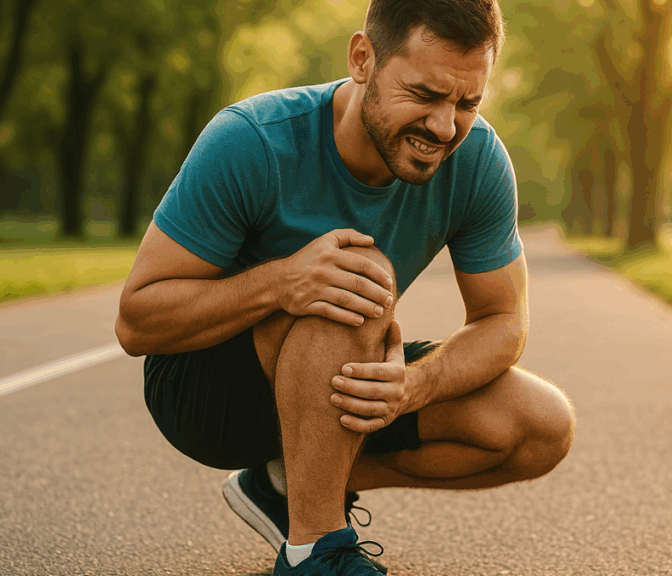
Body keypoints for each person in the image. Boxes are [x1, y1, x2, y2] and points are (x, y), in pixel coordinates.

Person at [115, 0, 575, 574]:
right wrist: (284, 282)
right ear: (363, 59)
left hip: (339, 378)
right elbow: (137, 322)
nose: (444, 125)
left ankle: (288, 487)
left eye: (467, 101)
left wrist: (413, 385)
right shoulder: (252, 140)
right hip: (205, 389)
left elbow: (504, 319)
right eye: (426, 94)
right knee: (354, 278)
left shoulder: (478, 160)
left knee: (540, 426)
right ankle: (314, 553)